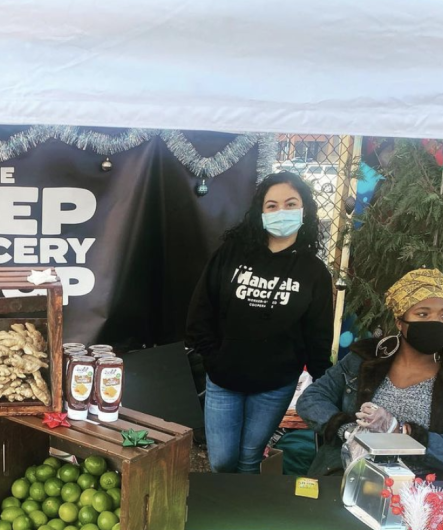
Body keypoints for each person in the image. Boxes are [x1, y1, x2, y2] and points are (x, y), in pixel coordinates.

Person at [186, 172, 333, 473]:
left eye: (291, 204)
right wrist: (214, 359)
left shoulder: (314, 272)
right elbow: (201, 310)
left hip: (275, 386)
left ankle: (240, 517)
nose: (282, 212)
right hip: (224, 379)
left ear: (305, 210)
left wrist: (324, 383)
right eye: (272, 205)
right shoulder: (232, 254)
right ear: (261, 212)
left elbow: (318, 335)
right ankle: (224, 511)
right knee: (222, 460)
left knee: (250, 457)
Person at [298, 268, 443, 475]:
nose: (435, 323)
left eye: (442, 315)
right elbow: (312, 398)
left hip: (420, 489)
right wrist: (350, 431)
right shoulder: (365, 359)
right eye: (422, 314)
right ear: (399, 321)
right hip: (348, 473)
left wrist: (402, 431)